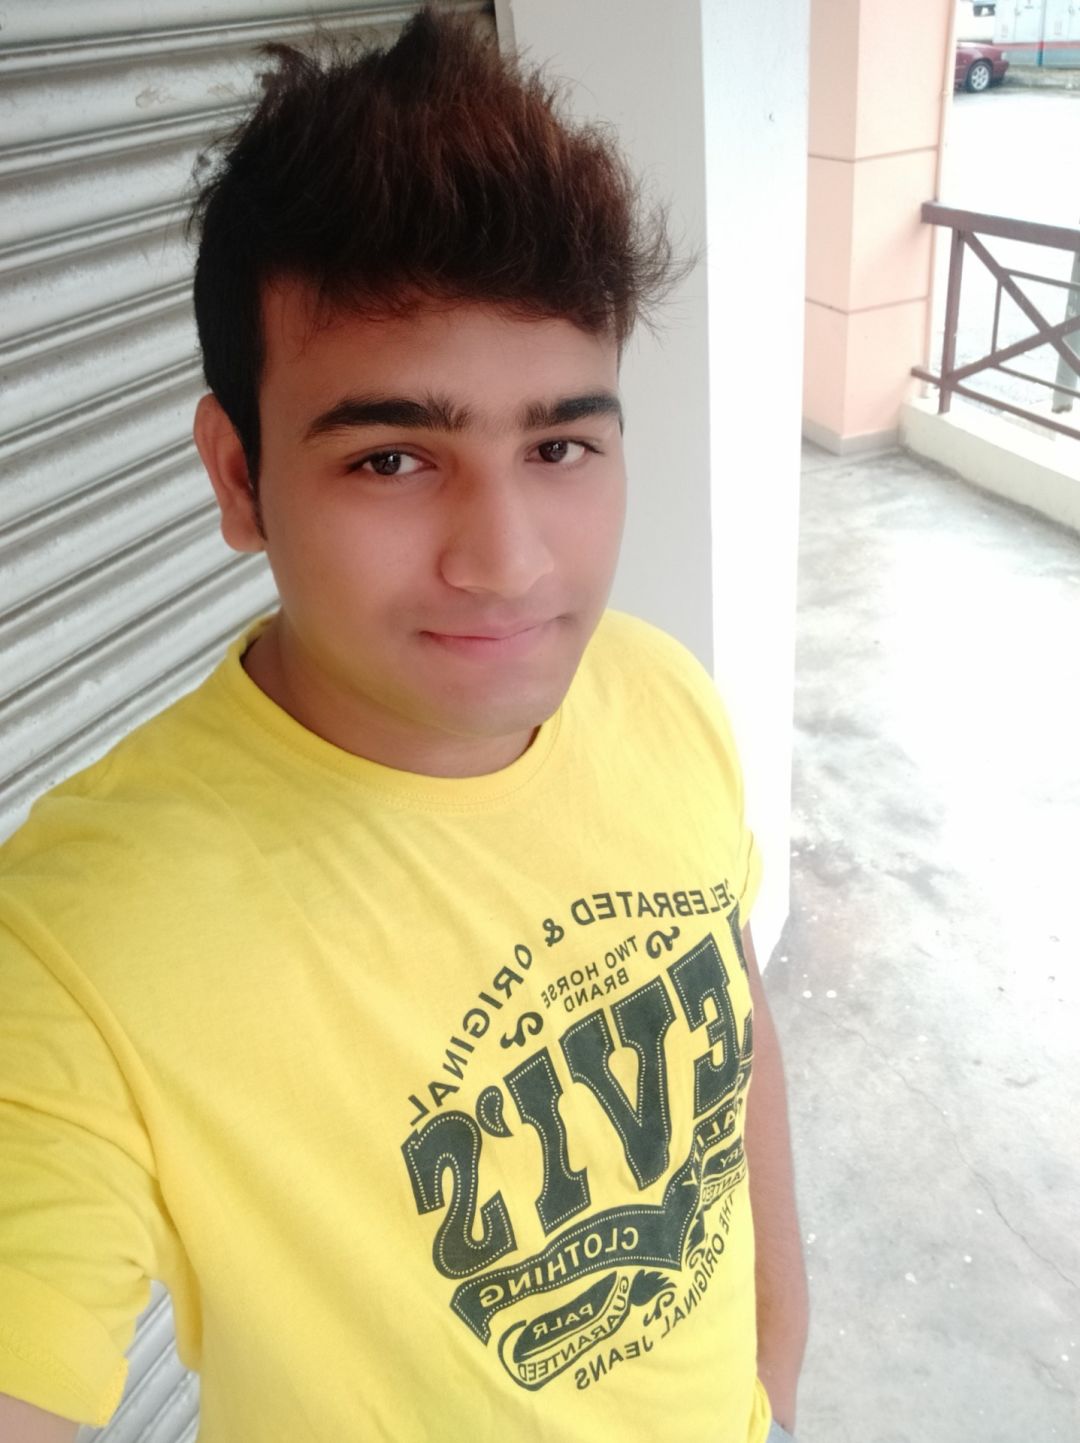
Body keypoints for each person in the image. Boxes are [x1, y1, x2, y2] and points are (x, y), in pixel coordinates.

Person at [0, 10, 808, 1441]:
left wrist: (776, 1386)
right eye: (392, 458)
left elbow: (735, 1056)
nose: (507, 560)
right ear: (239, 477)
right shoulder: (73, 952)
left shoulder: (660, 694)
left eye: (559, 444)